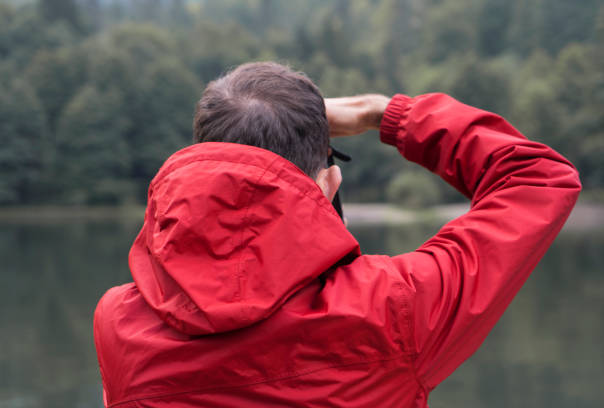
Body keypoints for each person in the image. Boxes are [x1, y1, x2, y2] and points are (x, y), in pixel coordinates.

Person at [93, 62, 581, 407]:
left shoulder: (118, 325)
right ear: (330, 183)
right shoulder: (396, 309)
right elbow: (537, 177)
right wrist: (384, 114)